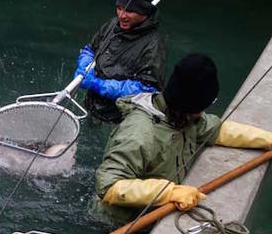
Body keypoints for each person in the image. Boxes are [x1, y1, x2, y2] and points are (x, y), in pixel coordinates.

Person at [95, 53, 272, 211]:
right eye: (199, 109)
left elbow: (219, 130)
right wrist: (168, 192)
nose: (202, 114)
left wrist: (268, 140)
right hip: (118, 224)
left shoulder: (186, 117)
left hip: (154, 211)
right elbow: (108, 185)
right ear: (186, 107)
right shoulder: (139, 133)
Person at [74, 0, 167, 123]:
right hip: (91, 107)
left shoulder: (153, 46)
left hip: (120, 119)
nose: (122, 15)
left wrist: (99, 85)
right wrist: (84, 63)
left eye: (129, 11)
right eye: (119, 8)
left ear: (144, 13)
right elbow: (91, 49)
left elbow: (147, 90)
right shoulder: (113, 24)